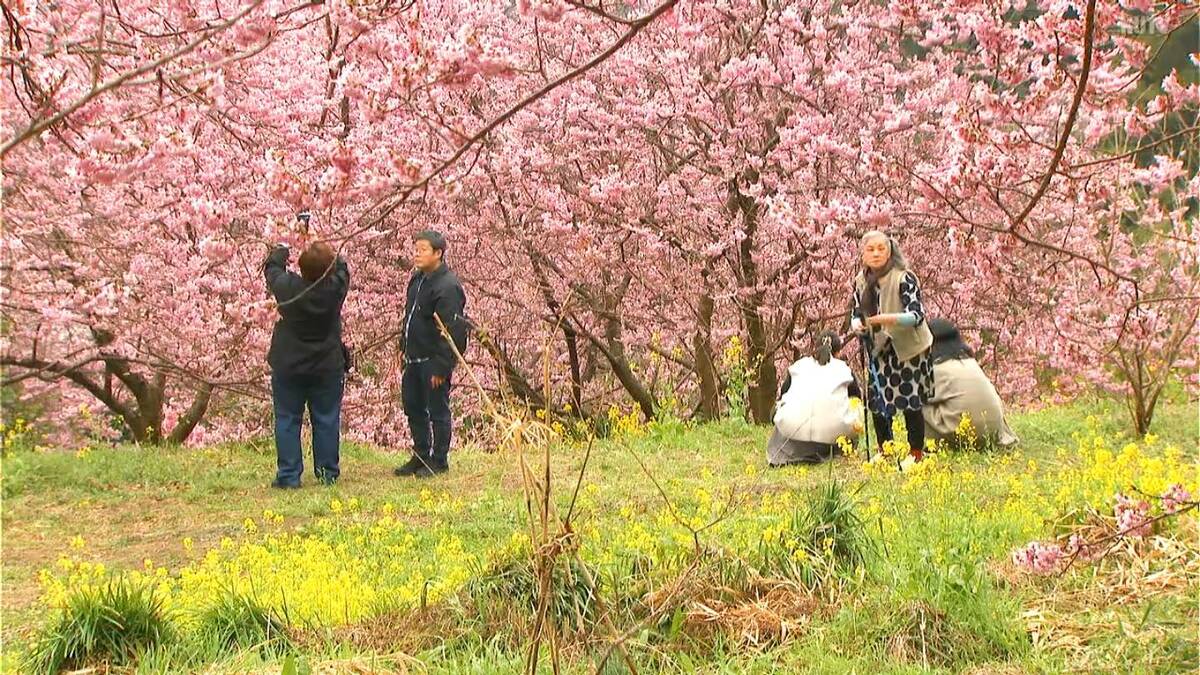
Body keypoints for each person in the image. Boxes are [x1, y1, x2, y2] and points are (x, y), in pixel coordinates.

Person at [264, 241, 350, 488]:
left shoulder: (289, 288)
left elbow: (272, 269)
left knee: (287, 418)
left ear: (300, 268)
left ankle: (289, 475)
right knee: (326, 418)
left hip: (289, 364)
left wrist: (282, 248)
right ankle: (327, 473)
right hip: (326, 365)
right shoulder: (334, 290)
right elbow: (343, 267)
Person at [850, 231, 934, 461]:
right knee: (877, 402)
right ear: (863, 253)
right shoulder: (861, 280)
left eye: (881, 248)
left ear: (890, 251)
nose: (876, 253)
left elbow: (916, 315)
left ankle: (916, 453)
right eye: (871, 249)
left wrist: (882, 319)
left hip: (909, 349)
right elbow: (856, 311)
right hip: (879, 349)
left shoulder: (904, 278)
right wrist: (856, 324)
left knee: (910, 400)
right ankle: (885, 450)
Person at [394, 230, 468, 478]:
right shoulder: (417, 280)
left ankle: (439, 459)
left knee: (438, 410)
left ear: (438, 253)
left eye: (422, 250)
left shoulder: (447, 286)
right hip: (413, 357)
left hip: (432, 360)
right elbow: (410, 317)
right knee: (413, 407)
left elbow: (454, 330)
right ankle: (420, 454)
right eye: (415, 249)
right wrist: (402, 346)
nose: (417, 254)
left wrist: (442, 365)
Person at [767, 330, 862, 466]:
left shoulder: (798, 366)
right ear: (837, 352)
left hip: (792, 437)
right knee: (854, 407)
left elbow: (782, 397)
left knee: (783, 408)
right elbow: (856, 399)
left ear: (816, 348)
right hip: (833, 440)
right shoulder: (844, 369)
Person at [923, 318, 1019, 449]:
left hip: (965, 435)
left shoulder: (936, 368)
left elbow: (919, 398)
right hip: (994, 434)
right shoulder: (971, 363)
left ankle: (924, 445)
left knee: (915, 402)